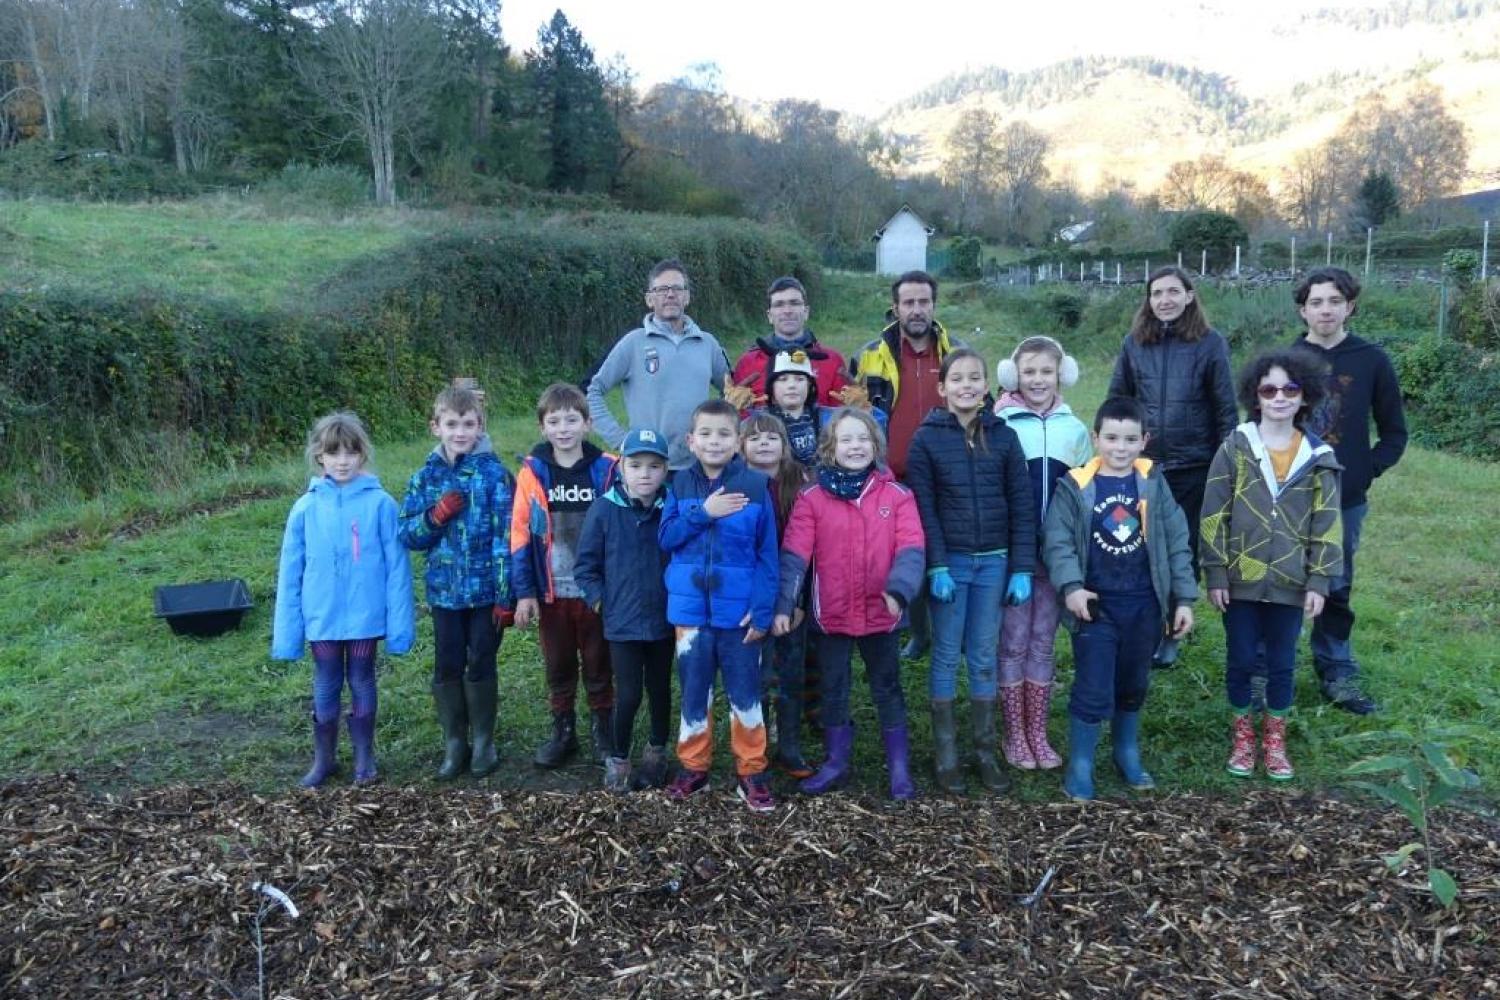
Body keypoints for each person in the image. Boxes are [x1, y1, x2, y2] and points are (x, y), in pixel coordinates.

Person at [1042, 396, 1197, 801]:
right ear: (1096, 438)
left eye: (1130, 439)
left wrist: (1183, 598)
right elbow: (1057, 542)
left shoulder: (1153, 484)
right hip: (1097, 606)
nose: (1120, 447)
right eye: (1111, 437)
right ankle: (1081, 763)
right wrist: (1072, 587)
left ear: (1144, 440)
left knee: (1133, 682)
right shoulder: (1076, 487)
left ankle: (1126, 751)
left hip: (1145, 604)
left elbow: (1177, 540)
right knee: (1094, 686)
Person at [1202, 351, 1342, 781]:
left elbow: (1329, 524)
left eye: (1290, 389)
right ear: (1255, 397)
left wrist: (1319, 580)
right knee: (1241, 657)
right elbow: (1213, 512)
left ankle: (1274, 738)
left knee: (1282, 662)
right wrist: (1216, 572)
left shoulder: (1319, 457)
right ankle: (1244, 734)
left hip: (1291, 581)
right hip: (1240, 581)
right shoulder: (1235, 447)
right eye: (1269, 389)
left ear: (1305, 397)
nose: (1279, 397)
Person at [775, 408, 926, 800]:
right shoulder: (811, 498)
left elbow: (911, 548)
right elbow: (795, 556)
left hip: (883, 615)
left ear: (875, 445)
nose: (855, 446)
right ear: (830, 448)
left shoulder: (897, 495)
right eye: (846, 439)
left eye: (863, 438)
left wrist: (899, 590)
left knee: (888, 688)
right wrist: (785, 605)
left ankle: (899, 767)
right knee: (833, 689)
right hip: (832, 617)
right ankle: (836, 761)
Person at [905, 348, 1035, 796]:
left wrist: (1021, 566)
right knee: (945, 653)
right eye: (956, 378)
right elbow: (925, 508)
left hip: (995, 562)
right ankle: (945, 753)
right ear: (942, 388)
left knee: (983, 653)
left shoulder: (1004, 436)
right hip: (952, 563)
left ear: (987, 387)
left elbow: (1021, 503)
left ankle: (983, 749)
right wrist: (936, 564)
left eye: (974, 378)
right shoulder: (926, 439)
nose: (966, 385)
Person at [273, 412, 415, 788]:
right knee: (326, 681)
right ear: (319, 456)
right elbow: (290, 572)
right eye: (333, 453)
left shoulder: (382, 504)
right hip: (322, 617)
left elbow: (398, 569)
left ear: (362, 454)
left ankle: (364, 758)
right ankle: (324, 760)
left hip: (366, 617)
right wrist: (288, 633)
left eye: (350, 452)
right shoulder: (305, 508)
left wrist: (401, 626)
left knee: (362, 678)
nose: (342, 461)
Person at [1290, 267, 1407, 714]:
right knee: (1281, 578)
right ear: (1303, 309)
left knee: (1336, 582)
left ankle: (1336, 668)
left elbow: (1395, 431)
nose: (1325, 310)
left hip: (1345, 496)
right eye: (1316, 302)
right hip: (1291, 493)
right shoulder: (1287, 358)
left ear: (1349, 306)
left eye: (1334, 301)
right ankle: (1269, 667)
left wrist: (1364, 470)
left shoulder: (1371, 360)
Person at [1107, 266, 1236, 668]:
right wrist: (1117, 451)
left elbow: (1225, 407)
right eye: (1156, 293)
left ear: (1190, 295)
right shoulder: (1134, 344)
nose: (1164, 299)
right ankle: (1143, 622)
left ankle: (1173, 629)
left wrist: (1226, 462)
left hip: (1195, 465)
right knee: (1137, 542)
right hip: (1144, 465)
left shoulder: (1210, 344)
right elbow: (1117, 400)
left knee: (1182, 547)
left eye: (1173, 292)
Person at [658, 399, 781, 811]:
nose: (714, 442)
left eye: (724, 434)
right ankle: (694, 767)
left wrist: (763, 609)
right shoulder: (678, 485)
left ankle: (752, 772)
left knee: (746, 694)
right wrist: (704, 514)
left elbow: (768, 555)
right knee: (695, 691)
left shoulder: (756, 487)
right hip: (691, 614)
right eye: (706, 434)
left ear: (738, 442)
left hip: (740, 615)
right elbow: (667, 537)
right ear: (691, 441)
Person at [398, 385, 515, 780]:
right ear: (436, 427)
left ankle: (484, 740)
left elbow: (506, 538)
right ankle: (454, 741)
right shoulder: (424, 478)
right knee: (447, 663)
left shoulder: (496, 475)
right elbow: (408, 536)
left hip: (485, 594)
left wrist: (505, 593)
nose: (460, 432)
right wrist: (435, 517)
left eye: (468, 424)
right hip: (445, 593)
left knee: (481, 660)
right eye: (452, 424)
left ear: (480, 427)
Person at [850, 269, 965, 659]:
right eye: (908, 302)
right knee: (905, 554)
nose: (917, 309)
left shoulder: (957, 353)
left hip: (950, 475)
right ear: (895, 307)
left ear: (934, 305)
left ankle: (955, 630)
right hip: (892, 478)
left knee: (950, 551)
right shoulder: (869, 356)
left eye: (923, 302)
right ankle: (919, 632)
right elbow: (853, 413)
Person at [994, 336, 1093, 771]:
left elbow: (1086, 493)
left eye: (1046, 371)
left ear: (1062, 375)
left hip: (1056, 556)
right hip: (1016, 553)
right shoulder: (1002, 424)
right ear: (1014, 375)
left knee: (1042, 640)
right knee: (1013, 640)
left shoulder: (1074, 429)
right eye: (1028, 371)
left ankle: (1038, 730)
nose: (1037, 379)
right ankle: (1013, 732)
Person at [510, 383, 618, 768]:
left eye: (572, 419)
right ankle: (564, 732)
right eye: (554, 421)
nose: (564, 428)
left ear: (587, 423)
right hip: (552, 590)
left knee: (598, 662)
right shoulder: (533, 472)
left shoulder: (608, 469)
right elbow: (521, 534)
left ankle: (603, 731)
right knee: (558, 664)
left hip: (595, 590)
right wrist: (524, 593)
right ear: (542, 427)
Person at [575, 428, 675, 793]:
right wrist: (601, 601)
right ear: (621, 468)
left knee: (660, 689)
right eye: (636, 465)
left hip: (664, 620)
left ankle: (657, 751)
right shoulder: (605, 509)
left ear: (666, 470)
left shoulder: (672, 508)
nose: (645, 473)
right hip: (622, 623)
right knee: (629, 694)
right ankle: (619, 757)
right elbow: (585, 566)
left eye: (654, 466)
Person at [586, 259, 730, 470]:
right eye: (662, 289)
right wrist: (621, 440)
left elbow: (733, 394)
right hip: (649, 470)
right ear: (649, 299)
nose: (670, 294)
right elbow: (593, 392)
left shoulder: (708, 344)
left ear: (687, 297)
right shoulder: (633, 343)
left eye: (677, 289)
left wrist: (719, 437)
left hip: (699, 468)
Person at [739, 410, 815, 777]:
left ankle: (790, 746)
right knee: (757, 674)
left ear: (785, 445)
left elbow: (807, 548)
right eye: (754, 437)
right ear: (741, 447)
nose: (764, 443)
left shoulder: (800, 484)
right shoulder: (737, 483)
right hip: (750, 598)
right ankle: (758, 746)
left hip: (791, 594)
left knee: (790, 672)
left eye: (771, 437)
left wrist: (797, 601)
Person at [726, 275, 854, 413]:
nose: (787, 311)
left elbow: (843, 417)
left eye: (794, 303)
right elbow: (738, 421)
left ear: (806, 312)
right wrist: (732, 410)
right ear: (769, 316)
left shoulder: (832, 360)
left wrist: (860, 410)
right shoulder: (748, 363)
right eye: (779, 304)